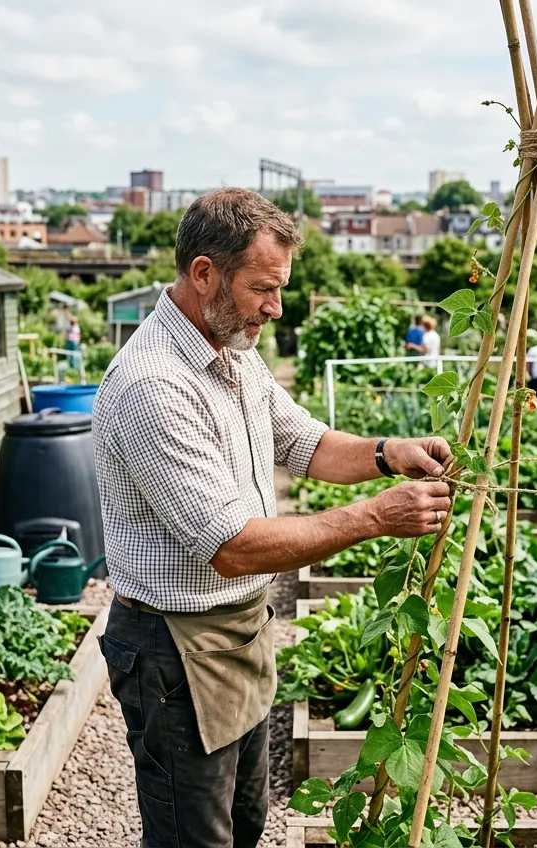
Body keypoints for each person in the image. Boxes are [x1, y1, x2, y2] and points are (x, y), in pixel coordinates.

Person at [90, 188, 452, 848]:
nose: (275, 308)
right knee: (193, 837)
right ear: (204, 274)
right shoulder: (153, 385)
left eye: (278, 288)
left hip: (239, 633)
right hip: (175, 650)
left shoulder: (233, 349)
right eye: (263, 288)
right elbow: (232, 547)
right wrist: (374, 517)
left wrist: (385, 453)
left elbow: (299, 440)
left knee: (246, 822)